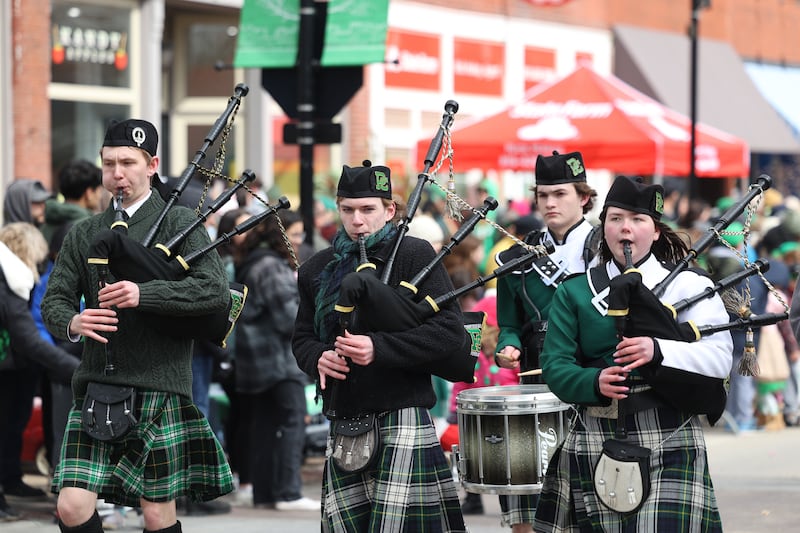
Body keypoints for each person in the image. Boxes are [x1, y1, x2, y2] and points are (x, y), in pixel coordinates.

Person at [41, 118, 233, 533]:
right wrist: (74, 320)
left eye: (128, 163)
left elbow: (215, 291)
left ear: (152, 165)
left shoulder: (180, 223)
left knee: (156, 514)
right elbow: (53, 300)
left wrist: (144, 294)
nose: (117, 174)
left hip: (160, 384)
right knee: (72, 506)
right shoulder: (84, 232)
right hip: (97, 384)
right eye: (109, 164)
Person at [533, 175, 733, 531]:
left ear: (655, 231)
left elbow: (718, 359)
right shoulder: (575, 292)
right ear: (604, 225)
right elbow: (555, 365)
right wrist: (594, 380)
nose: (626, 229)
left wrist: (657, 349)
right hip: (596, 429)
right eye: (616, 219)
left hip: (670, 430)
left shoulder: (691, 285)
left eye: (638, 220)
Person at [292, 160, 469, 532]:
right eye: (348, 210)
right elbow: (303, 338)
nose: (357, 220)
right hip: (344, 418)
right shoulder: (316, 270)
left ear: (389, 210)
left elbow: (451, 333)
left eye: (368, 209)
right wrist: (318, 359)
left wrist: (379, 348)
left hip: (402, 412)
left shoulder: (414, 255)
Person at [494, 151, 598, 533]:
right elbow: (508, 323)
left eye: (560, 194)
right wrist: (508, 346)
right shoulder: (517, 256)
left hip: (589, 380)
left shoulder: (607, 251)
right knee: (526, 495)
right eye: (543, 195)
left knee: (587, 497)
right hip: (534, 380)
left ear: (584, 197)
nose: (550, 203)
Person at [233, 210, 318, 511]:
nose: (298, 241)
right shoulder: (270, 267)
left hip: (256, 361)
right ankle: (287, 492)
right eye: (294, 234)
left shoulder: (254, 262)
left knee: (265, 425)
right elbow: (288, 319)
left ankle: (266, 493)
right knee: (292, 420)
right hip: (277, 360)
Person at [0, 222, 80, 520]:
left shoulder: (15, 280)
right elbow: (28, 335)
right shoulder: (11, 282)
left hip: (19, 366)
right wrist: (74, 366)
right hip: (12, 364)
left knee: (12, 425)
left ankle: (9, 480)